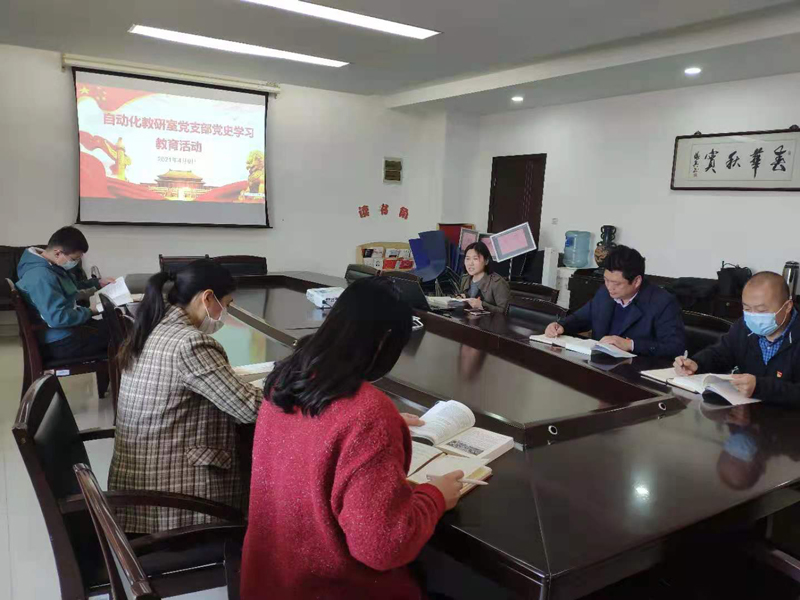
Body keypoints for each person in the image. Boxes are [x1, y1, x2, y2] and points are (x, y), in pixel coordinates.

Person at [241, 277, 464, 600]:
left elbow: (317, 430)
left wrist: (383, 425)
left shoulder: (285, 378)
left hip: (268, 583)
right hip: (329, 589)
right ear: (384, 342)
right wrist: (435, 496)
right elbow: (381, 548)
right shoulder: (368, 413)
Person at [109, 259, 262, 533]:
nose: (225, 313)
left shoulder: (155, 325)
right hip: (170, 501)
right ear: (207, 297)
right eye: (226, 304)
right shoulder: (189, 343)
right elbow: (250, 409)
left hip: (142, 484)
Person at [674, 271, 800, 405]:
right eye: (747, 309)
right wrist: (697, 364)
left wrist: (760, 387)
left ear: (787, 306)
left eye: (761, 311)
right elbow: (721, 354)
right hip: (746, 410)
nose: (753, 316)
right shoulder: (743, 327)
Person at [545, 245, 685, 357]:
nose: (609, 287)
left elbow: (674, 347)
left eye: (616, 283)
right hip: (601, 365)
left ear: (636, 281)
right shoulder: (604, 293)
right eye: (606, 280)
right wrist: (561, 326)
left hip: (637, 373)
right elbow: (582, 317)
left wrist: (630, 345)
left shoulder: (662, 302)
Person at [15, 226, 116, 362]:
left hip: (66, 331)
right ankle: (121, 374)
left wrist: (97, 283)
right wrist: (90, 311)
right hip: (59, 342)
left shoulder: (49, 264)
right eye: (74, 259)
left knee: (117, 325)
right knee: (123, 332)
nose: (75, 263)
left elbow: (71, 287)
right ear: (58, 253)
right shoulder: (41, 276)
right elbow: (57, 318)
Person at [456, 241, 511, 314]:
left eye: (475, 259)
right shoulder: (465, 278)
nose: (470, 263)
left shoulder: (498, 283)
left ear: (486, 261)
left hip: (489, 321)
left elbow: (505, 312)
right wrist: (461, 299)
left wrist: (482, 305)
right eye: (467, 259)